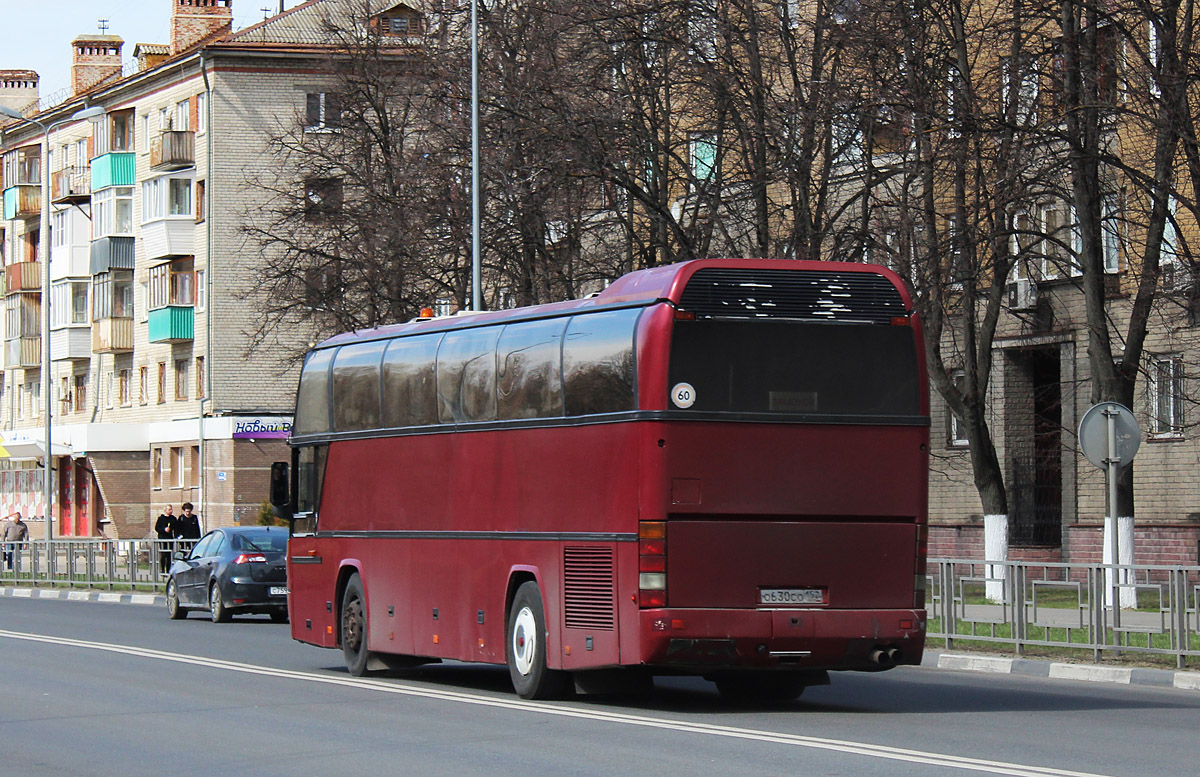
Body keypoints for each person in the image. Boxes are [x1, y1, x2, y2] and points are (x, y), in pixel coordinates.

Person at [154, 504, 177, 573]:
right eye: (169, 509)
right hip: (162, 539)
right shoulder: (161, 519)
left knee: (169, 555)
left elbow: (176, 528)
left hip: (170, 538)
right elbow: (157, 528)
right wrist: (164, 529)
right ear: (165, 510)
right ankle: (162, 569)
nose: (171, 511)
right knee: (164, 554)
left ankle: (168, 569)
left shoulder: (173, 519)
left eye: (171, 509)